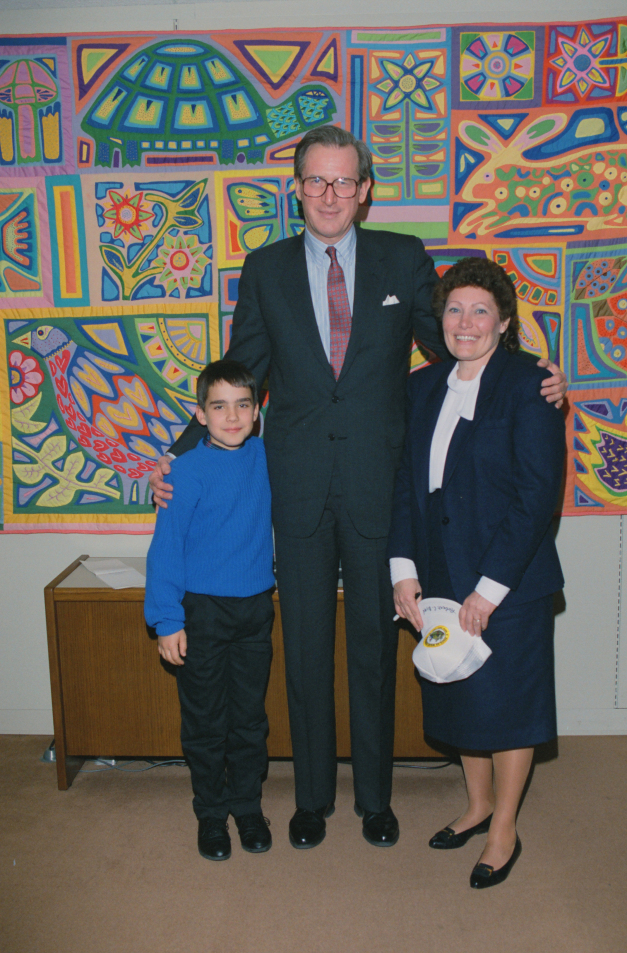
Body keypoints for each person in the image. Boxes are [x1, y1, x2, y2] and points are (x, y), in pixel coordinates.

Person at [148, 124, 567, 851]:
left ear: (365, 189)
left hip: (383, 492)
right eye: (316, 181)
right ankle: (312, 799)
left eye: (344, 181)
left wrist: (532, 376)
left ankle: (375, 798)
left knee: (375, 651)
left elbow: (458, 342)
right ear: (298, 188)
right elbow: (241, 368)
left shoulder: (402, 259)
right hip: (298, 489)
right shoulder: (266, 267)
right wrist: (180, 461)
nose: (330, 194)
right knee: (305, 650)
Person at [388, 256, 565, 888]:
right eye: (455, 309)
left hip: (507, 579)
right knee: (459, 691)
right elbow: (407, 487)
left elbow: (537, 495)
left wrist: (489, 590)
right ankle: (476, 804)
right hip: (438, 572)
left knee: (509, 706)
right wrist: (403, 570)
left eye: (480, 310)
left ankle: (504, 828)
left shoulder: (529, 384)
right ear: (441, 319)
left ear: (504, 320)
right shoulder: (421, 386)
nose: (466, 322)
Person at [144, 359, 275, 862]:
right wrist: (167, 619)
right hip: (200, 613)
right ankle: (211, 814)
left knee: (248, 719)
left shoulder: (267, 457)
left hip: (255, 610)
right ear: (200, 414)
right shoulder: (185, 471)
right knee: (204, 719)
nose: (232, 416)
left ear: (257, 410)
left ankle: (247, 807)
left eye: (243, 405)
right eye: (219, 407)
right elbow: (166, 548)